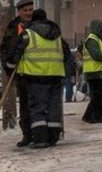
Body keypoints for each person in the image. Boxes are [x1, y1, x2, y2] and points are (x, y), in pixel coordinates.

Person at [7, 9, 71, 148]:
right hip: (56, 76)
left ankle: (40, 139)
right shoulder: (57, 35)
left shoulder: (28, 34)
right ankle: (53, 137)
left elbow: (15, 54)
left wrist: (10, 66)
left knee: (37, 108)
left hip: (36, 77)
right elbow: (67, 55)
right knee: (54, 107)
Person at [0, 0, 34, 144]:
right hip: (21, 74)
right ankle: (27, 134)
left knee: (36, 105)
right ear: (19, 12)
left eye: (30, 10)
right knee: (25, 105)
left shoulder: (38, 25)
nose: (28, 13)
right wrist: (8, 67)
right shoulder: (12, 28)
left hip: (38, 73)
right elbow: (5, 48)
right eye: (25, 11)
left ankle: (39, 133)